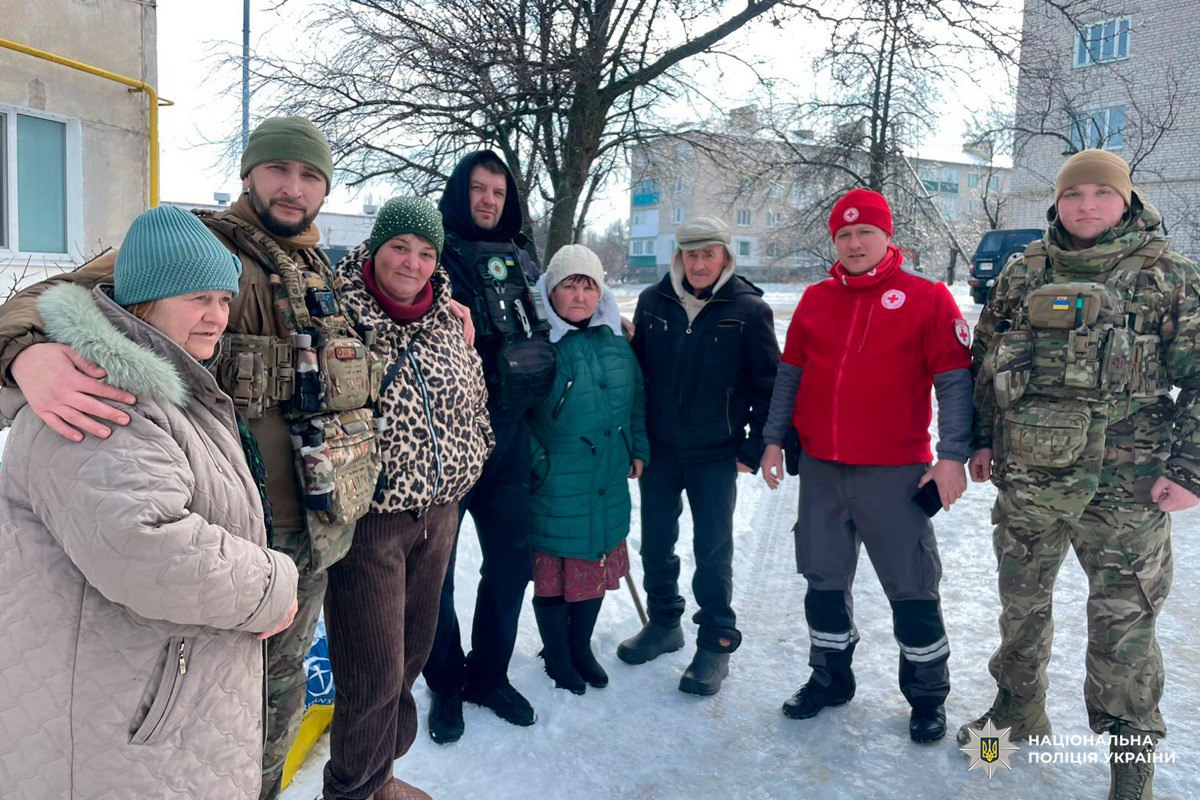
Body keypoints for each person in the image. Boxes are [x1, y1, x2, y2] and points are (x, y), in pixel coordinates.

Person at [0, 118, 469, 798]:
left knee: (275, 712)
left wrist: (451, 310)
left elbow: (381, 317)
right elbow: (67, 302)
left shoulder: (316, 266)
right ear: (249, 172)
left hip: (311, 535)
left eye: (310, 176)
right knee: (214, 719)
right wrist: (27, 356)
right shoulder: (199, 247)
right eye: (278, 169)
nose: (293, 187)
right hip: (232, 541)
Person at [0, 206, 299, 799]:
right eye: (197, 298)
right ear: (145, 301)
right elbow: (145, 546)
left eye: (223, 297)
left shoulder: (168, 381)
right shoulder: (101, 390)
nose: (217, 316)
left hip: (148, 707)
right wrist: (271, 587)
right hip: (120, 727)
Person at [960, 150, 1199, 798]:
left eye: (1101, 192)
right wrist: (982, 440)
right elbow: (985, 365)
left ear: (1127, 200)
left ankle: (1132, 759)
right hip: (1029, 482)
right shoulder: (1022, 273)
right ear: (1056, 202)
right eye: (1073, 194)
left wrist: (1189, 467)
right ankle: (1017, 712)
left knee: (1124, 628)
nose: (1086, 205)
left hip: (1126, 491)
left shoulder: (1168, 277)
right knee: (1021, 610)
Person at [759, 188, 972, 743]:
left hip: (894, 472)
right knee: (823, 580)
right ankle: (830, 678)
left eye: (865, 233)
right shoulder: (816, 300)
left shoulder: (927, 299)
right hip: (824, 474)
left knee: (912, 585)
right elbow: (791, 377)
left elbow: (954, 385)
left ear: (886, 236)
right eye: (844, 234)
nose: (854, 243)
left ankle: (926, 696)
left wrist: (952, 458)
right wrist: (773, 439)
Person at [318, 197, 493, 800]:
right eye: (399, 247)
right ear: (374, 248)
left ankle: (380, 779)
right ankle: (350, 792)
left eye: (425, 252)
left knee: (411, 661)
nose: (412, 263)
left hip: (439, 514)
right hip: (372, 525)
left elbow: (472, 396)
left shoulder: (449, 318)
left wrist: (475, 454)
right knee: (371, 675)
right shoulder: (336, 313)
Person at [423, 151, 556, 742]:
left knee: (511, 562)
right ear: (460, 192)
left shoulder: (522, 256)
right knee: (438, 572)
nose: (487, 201)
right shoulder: (432, 252)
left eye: (498, 192)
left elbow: (550, 317)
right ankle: (446, 680)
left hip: (509, 432)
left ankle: (490, 674)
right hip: (447, 435)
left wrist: (607, 320)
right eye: (478, 189)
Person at [618, 216, 778, 696]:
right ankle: (665, 623)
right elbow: (638, 376)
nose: (699, 263)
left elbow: (769, 385)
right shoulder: (653, 302)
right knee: (655, 543)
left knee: (712, 551)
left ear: (726, 257)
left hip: (715, 455)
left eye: (709, 253)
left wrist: (751, 446)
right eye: (691, 254)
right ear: (678, 257)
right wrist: (637, 440)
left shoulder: (747, 310)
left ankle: (714, 643)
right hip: (662, 454)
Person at [526, 244, 649, 694]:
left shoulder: (617, 342)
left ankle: (581, 648)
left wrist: (638, 448)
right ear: (550, 291)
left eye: (588, 286)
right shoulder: (536, 343)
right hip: (557, 481)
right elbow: (516, 418)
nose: (578, 295)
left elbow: (637, 400)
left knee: (593, 568)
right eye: (568, 286)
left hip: (608, 478)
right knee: (556, 577)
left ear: (600, 293)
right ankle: (557, 655)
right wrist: (538, 463)